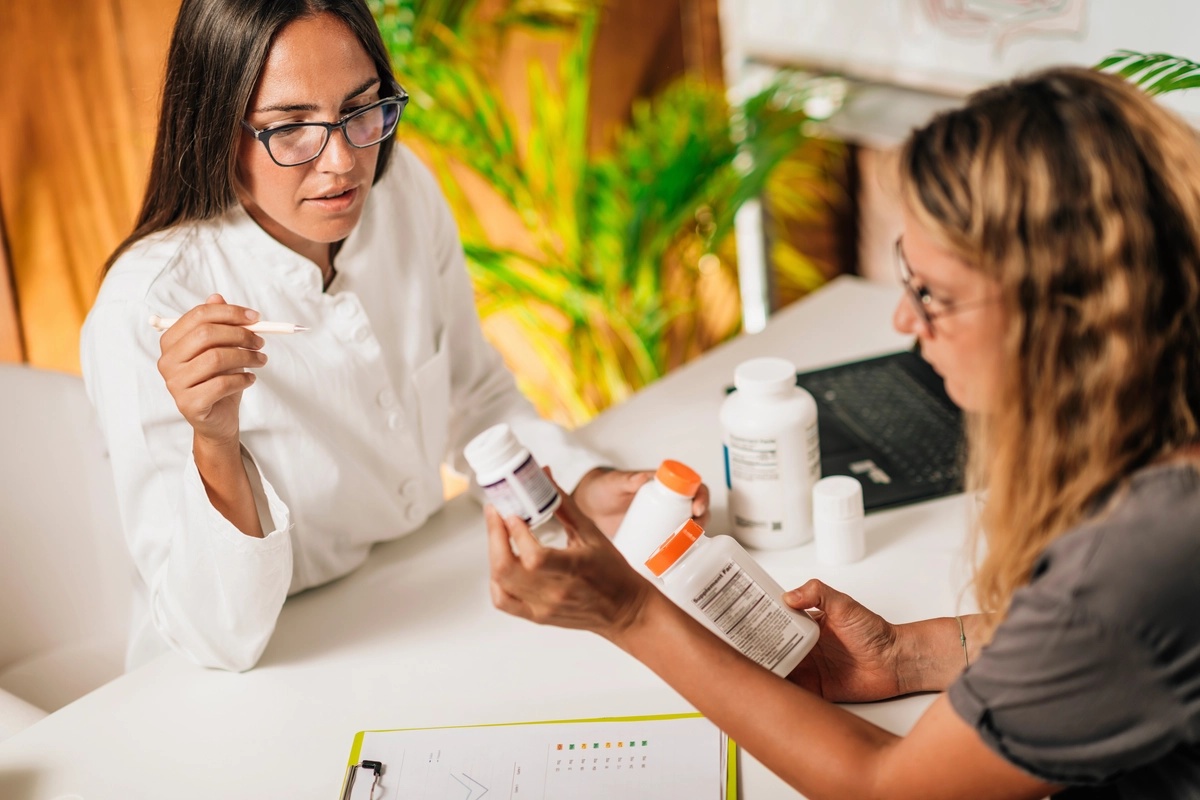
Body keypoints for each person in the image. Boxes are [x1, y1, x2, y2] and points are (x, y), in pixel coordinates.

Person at [487, 66, 1200, 798]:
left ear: (1070, 309)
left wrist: (629, 612)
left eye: (934, 296)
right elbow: (1119, 645)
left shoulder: (1146, 553)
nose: (904, 322)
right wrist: (906, 656)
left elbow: (884, 788)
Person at [81, 0, 707, 674]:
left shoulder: (401, 192)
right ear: (213, 129)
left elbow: (474, 395)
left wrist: (573, 487)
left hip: (410, 602)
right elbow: (218, 637)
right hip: (262, 665)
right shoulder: (147, 306)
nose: (343, 162)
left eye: (362, 109)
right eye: (291, 127)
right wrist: (214, 440)